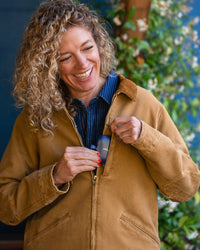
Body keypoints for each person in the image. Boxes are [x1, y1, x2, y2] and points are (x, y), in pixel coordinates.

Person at [0, 0, 199, 249]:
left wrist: (146, 137)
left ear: (99, 44)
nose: (82, 64)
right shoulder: (36, 118)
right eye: (65, 57)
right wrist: (55, 176)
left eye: (87, 48)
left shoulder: (143, 104)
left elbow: (185, 187)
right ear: (48, 64)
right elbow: (5, 206)